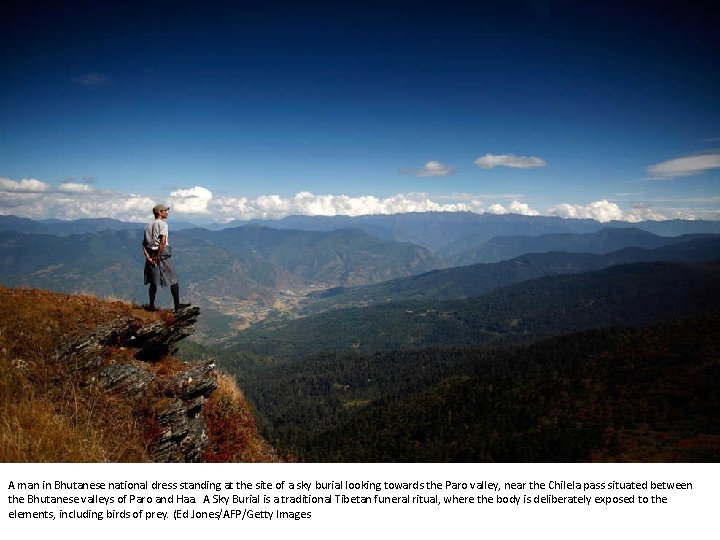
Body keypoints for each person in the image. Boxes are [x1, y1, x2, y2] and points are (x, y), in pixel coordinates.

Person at [142, 204, 190, 311]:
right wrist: (158, 256)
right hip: (162, 254)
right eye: (165, 211)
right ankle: (177, 306)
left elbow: (144, 244)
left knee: (153, 282)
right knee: (173, 280)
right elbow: (163, 241)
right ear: (159, 212)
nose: (167, 212)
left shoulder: (147, 225)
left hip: (151, 254)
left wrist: (148, 257)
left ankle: (152, 306)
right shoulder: (163, 224)